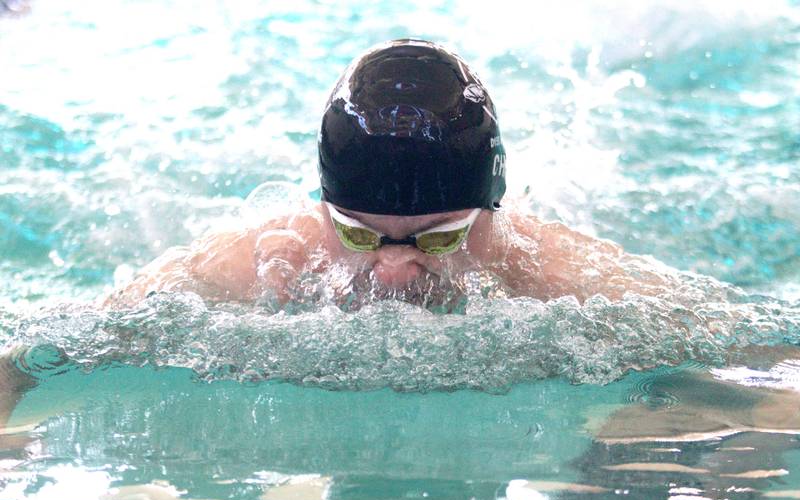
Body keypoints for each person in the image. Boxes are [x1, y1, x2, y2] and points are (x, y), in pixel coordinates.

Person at [104, 38, 681, 310]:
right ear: (321, 211)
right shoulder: (264, 259)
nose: (396, 274)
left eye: (440, 238)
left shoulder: (562, 278)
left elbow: (759, 374)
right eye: (357, 235)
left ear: (491, 212)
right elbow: (40, 355)